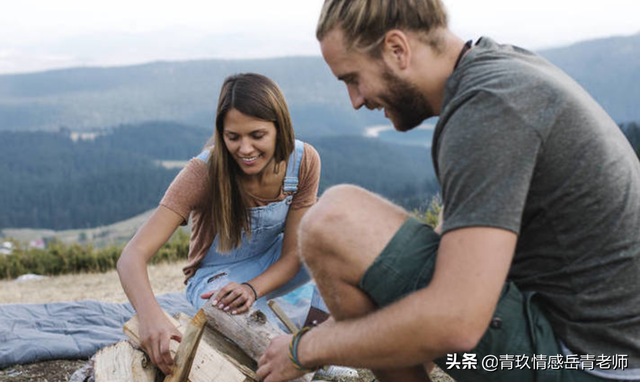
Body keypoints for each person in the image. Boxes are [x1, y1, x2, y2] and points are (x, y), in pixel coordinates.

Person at [256, 1, 640, 382]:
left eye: (353, 78)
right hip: (599, 351)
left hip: (590, 366)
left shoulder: (490, 109)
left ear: (396, 49)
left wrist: (307, 349)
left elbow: (457, 321)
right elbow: (447, 253)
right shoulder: (497, 73)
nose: (356, 101)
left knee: (332, 223)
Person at [117, 73, 322, 376]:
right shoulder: (202, 172)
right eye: (233, 137)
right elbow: (131, 255)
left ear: (280, 128)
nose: (245, 149)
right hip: (217, 278)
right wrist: (150, 316)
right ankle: (302, 363)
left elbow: (294, 255)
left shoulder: (304, 161)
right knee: (272, 356)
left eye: (257, 135)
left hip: (275, 264)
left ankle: (320, 347)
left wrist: (253, 288)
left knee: (342, 237)